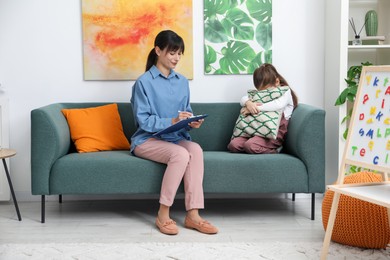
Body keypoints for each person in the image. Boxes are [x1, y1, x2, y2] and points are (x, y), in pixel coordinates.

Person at [130, 30, 218, 235]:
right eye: (172, 53)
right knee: (180, 154)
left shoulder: (182, 81)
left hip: (174, 138)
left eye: (179, 53)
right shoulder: (143, 82)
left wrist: (190, 122)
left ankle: (193, 215)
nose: (177, 58)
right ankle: (163, 214)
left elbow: (184, 112)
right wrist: (172, 120)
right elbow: (143, 120)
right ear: (158, 50)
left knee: (194, 149)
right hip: (146, 140)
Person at [228, 63, 298, 154]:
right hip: (254, 131)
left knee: (250, 145)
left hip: (272, 135)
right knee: (233, 145)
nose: (263, 93)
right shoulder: (260, 94)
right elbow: (244, 98)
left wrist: (254, 107)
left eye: (266, 90)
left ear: (277, 82)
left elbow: (277, 105)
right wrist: (248, 103)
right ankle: (253, 145)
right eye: (261, 91)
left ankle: (274, 150)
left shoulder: (285, 92)